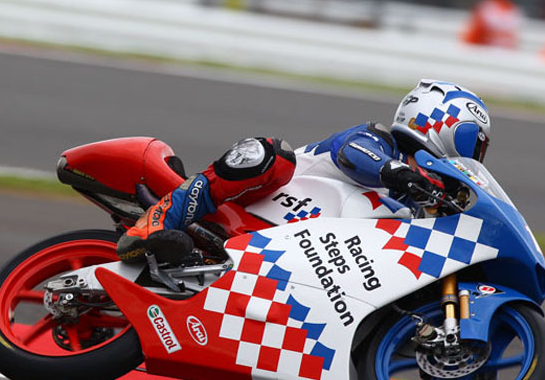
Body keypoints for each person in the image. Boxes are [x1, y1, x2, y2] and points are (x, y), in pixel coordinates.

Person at [116, 79, 492, 264]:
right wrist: (398, 173)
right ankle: (155, 222)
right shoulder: (377, 141)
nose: (476, 153)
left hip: (293, 261)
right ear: (446, 124)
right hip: (252, 207)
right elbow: (355, 154)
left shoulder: (415, 202)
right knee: (273, 153)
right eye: (475, 141)